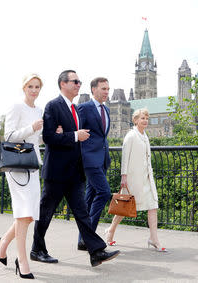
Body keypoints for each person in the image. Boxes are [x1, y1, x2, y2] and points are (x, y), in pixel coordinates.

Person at [30, 70, 120, 267]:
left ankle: (96, 252)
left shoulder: (73, 108)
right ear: (63, 84)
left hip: (75, 171)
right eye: (75, 81)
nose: (79, 85)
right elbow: (49, 137)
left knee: (82, 213)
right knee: (46, 211)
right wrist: (72, 135)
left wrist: (70, 133)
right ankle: (37, 249)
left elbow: (72, 135)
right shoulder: (54, 106)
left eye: (80, 82)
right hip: (57, 171)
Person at [0, 74, 44, 279]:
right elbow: (8, 136)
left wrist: (44, 133)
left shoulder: (39, 110)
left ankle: (3, 242)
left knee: (30, 214)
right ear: (24, 88)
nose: (34, 90)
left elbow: (36, 140)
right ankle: (22, 260)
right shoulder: (16, 107)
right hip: (16, 165)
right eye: (30, 86)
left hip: (32, 164)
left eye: (37, 87)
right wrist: (31, 128)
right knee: (23, 214)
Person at [105, 108, 167, 252]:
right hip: (133, 177)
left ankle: (154, 238)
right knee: (125, 207)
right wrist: (124, 176)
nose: (145, 121)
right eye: (142, 118)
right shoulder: (131, 136)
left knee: (153, 205)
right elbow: (125, 156)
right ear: (135, 120)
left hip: (146, 177)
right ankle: (110, 231)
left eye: (146, 118)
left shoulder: (145, 136)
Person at [76, 77, 114, 250]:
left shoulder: (106, 109)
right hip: (89, 159)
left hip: (102, 159)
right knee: (104, 192)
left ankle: (82, 239)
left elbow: (102, 135)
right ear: (93, 89)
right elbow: (77, 132)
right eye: (103, 89)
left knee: (90, 198)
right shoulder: (84, 108)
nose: (107, 92)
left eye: (108, 89)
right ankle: (89, 235)